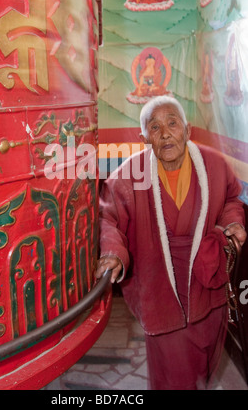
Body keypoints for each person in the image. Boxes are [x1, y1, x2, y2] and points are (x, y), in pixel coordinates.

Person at [96, 95, 246, 390]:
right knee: (173, 377)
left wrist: (233, 222)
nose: (165, 133)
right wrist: (113, 252)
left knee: (206, 364)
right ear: (144, 138)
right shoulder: (129, 175)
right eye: (155, 127)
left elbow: (232, 198)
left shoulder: (213, 164)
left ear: (187, 130)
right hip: (162, 293)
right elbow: (107, 218)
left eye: (172, 123)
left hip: (209, 286)